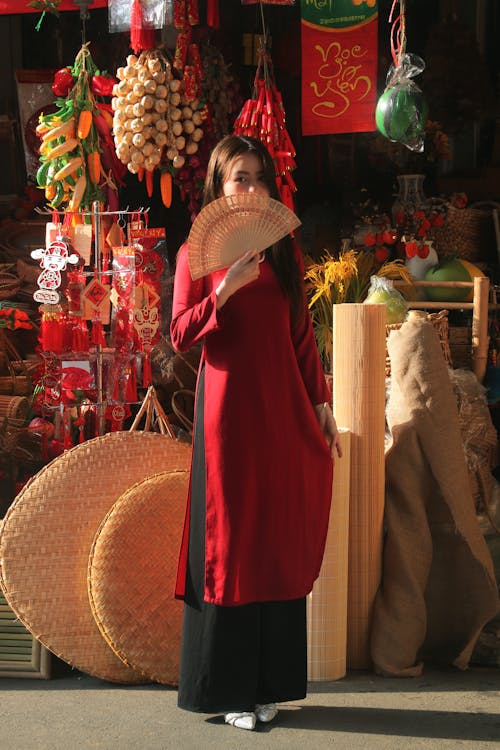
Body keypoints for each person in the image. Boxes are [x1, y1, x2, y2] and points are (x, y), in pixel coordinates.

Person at [170, 134, 342, 731]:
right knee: (234, 542)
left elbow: (301, 335)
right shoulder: (198, 253)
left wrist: (321, 401)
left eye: (258, 178)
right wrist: (223, 290)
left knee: (274, 534)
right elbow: (179, 334)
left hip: (283, 410)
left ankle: (270, 684)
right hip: (228, 416)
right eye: (238, 177)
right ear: (219, 186)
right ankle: (230, 689)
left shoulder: (284, 251)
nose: (250, 188)